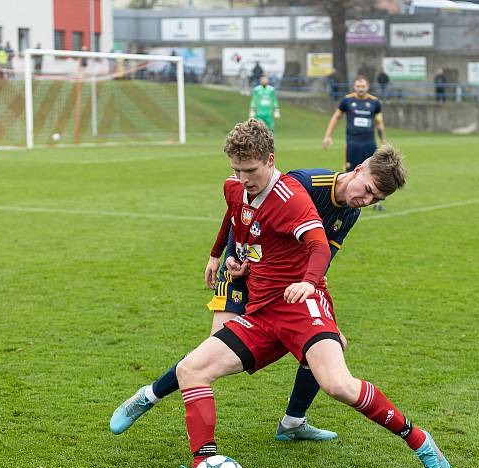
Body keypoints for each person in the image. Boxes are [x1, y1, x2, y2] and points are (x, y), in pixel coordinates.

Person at [109, 119, 452, 468]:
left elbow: (320, 246)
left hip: (302, 305)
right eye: (236, 170)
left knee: (337, 384)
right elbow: (243, 222)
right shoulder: (236, 187)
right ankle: (202, 465)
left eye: (250, 171)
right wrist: (233, 260)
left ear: (270, 161)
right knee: (193, 369)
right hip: (261, 306)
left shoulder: (293, 196)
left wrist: (307, 282)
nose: (242, 178)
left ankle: (419, 441)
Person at [139, 147, 403, 445]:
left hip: (282, 283)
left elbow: (324, 251)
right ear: (357, 170)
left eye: (376, 199)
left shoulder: (350, 212)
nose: (366, 200)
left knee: (329, 344)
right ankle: (151, 394)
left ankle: (293, 422)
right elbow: (243, 212)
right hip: (240, 269)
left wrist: (311, 279)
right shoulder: (305, 183)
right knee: (213, 349)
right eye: (367, 190)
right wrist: (223, 255)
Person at [322, 76, 387, 210]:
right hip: (352, 143)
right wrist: (328, 136)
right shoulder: (347, 100)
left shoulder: (375, 103)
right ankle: (346, 202)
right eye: (358, 86)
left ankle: (377, 202)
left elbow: (379, 123)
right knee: (351, 172)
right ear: (354, 87)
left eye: (363, 86)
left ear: (367, 87)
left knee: (374, 171)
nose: (360, 89)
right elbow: (336, 117)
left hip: (369, 142)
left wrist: (383, 141)